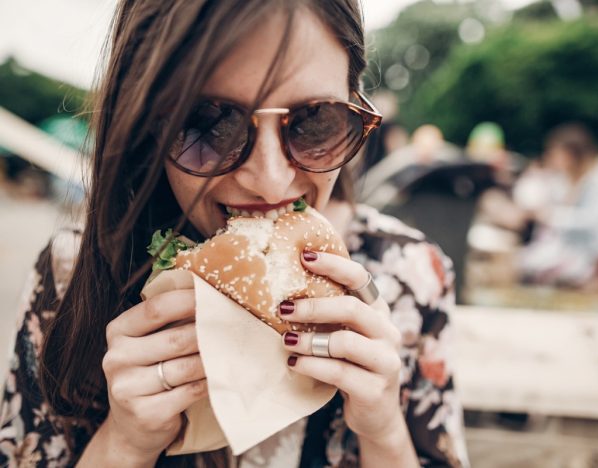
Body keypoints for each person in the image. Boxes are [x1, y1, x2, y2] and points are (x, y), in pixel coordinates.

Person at [0, 1, 469, 466]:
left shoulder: (414, 276)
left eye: (315, 121)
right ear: (145, 126)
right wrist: (124, 443)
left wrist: (385, 430)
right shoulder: (68, 278)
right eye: (208, 125)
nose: (269, 181)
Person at [518, 123, 598, 287]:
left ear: (572, 154)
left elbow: (595, 223)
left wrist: (550, 215)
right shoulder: (564, 179)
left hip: (591, 256)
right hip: (563, 250)